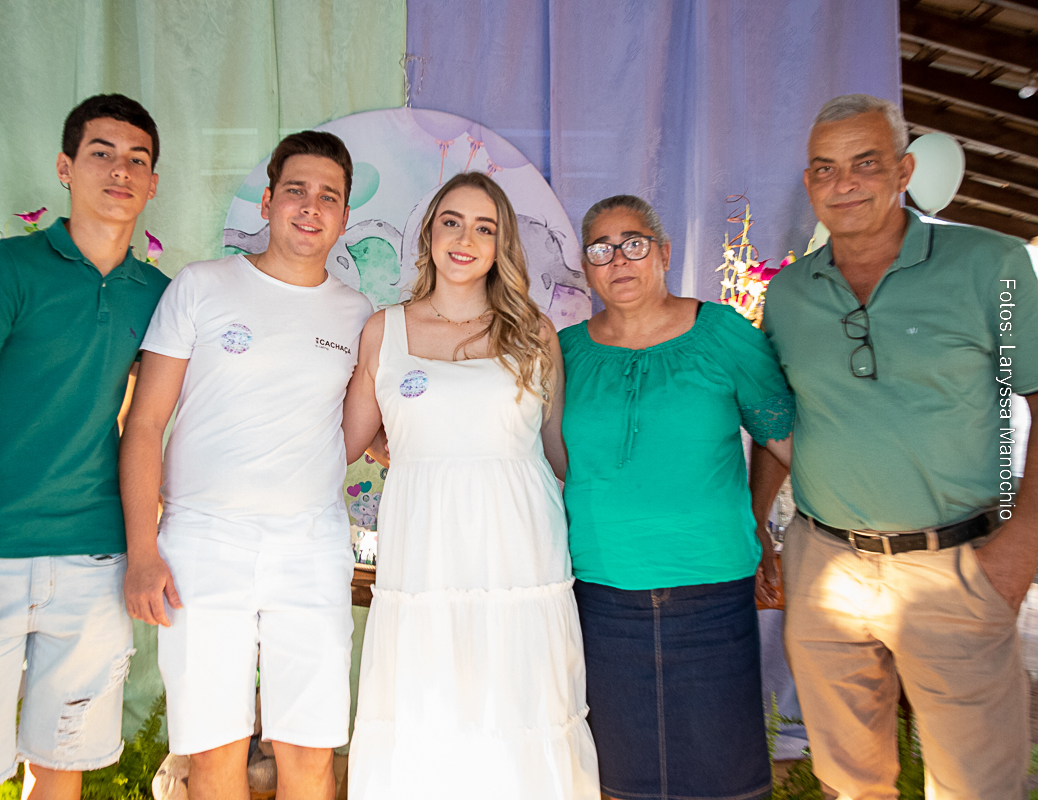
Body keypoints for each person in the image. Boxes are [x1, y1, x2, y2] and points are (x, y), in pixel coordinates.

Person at [755, 94, 1038, 799]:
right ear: (809, 182)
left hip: (956, 563)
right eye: (825, 168)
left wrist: (1021, 547)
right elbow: (776, 414)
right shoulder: (789, 293)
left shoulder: (993, 265)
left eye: (865, 163)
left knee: (977, 785)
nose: (844, 183)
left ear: (904, 171)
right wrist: (757, 523)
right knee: (848, 782)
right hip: (825, 565)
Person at [0, 94, 169, 800]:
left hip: (94, 558)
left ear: (153, 184)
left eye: (137, 160)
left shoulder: (156, 293)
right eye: (101, 153)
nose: (120, 171)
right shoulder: (9, 268)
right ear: (65, 167)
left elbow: (156, 419)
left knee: (62, 764)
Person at [119, 130, 371, 800]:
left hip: (311, 547)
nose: (310, 207)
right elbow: (143, 424)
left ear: (344, 216)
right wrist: (142, 550)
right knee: (214, 755)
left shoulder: (357, 314)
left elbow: (353, 435)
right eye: (296, 190)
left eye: (328, 196)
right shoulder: (201, 286)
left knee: (310, 756)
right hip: (203, 543)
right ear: (266, 201)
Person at [343, 171, 599, 800]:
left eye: (484, 228)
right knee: (427, 703)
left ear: (501, 244)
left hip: (518, 551)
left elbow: (558, 450)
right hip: (424, 553)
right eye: (452, 222)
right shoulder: (384, 329)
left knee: (519, 703)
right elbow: (345, 443)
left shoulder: (534, 332)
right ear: (428, 234)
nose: (465, 239)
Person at [558, 194, 793, 800]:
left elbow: (781, 436)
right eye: (601, 249)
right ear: (585, 267)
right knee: (619, 780)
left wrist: (756, 517)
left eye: (634, 244)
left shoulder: (722, 333)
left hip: (711, 593)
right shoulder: (564, 352)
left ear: (664, 253)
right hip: (601, 598)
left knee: (723, 778)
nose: (618, 259)